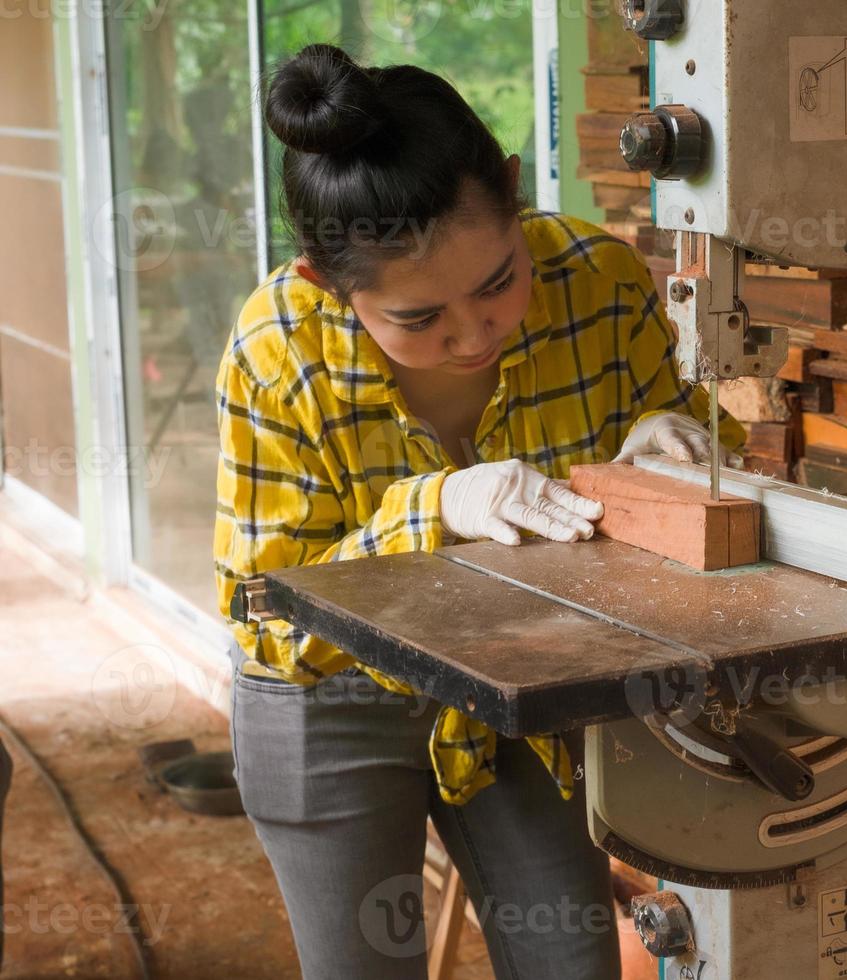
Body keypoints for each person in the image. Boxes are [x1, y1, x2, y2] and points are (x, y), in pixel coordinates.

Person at [214, 43, 743, 979]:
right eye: (418, 319)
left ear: (511, 192)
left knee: (572, 961)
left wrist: (680, 438)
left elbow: (689, 461)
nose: (474, 333)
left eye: (498, 281)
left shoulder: (600, 277)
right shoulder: (274, 352)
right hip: (330, 697)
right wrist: (437, 507)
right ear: (323, 284)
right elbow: (266, 619)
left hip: (521, 669)